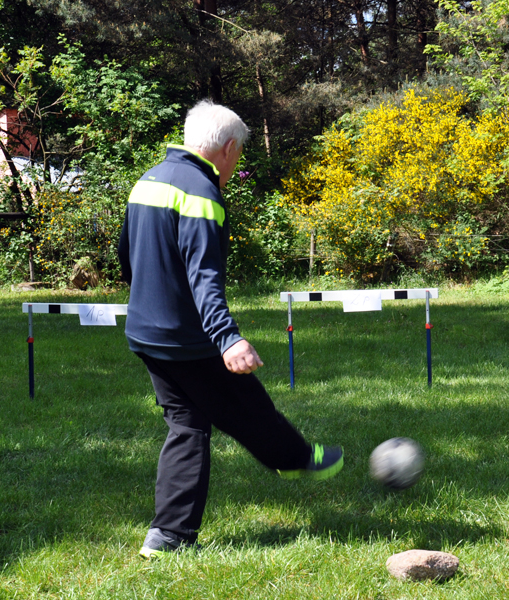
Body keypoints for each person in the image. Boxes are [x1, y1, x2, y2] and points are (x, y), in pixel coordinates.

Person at [118, 100, 343, 559]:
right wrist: (228, 338)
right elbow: (204, 276)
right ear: (227, 147)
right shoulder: (201, 193)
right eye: (238, 154)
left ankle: (167, 538)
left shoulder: (149, 180)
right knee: (248, 405)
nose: (234, 163)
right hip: (186, 338)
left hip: (145, 333)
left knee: (187, 425)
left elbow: (127, 256)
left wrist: (151, 298)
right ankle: (297, 460)